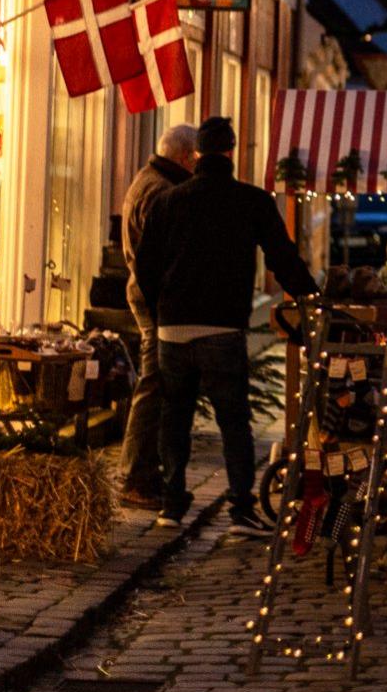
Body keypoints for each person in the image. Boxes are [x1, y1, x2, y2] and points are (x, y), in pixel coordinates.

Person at [135, 118, 318, 535]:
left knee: (174, 416)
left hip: (173, 328)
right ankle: (240, 507)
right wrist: (310, 296)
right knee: (234, 420)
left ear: (196, 154)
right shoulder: (250, 201)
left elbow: (145, 266)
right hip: (222, 327)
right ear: (232, 153)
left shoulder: (168, 201)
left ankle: (172, 503)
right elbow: (282, 257)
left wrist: (161, 304)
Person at [117, 125, 197, 511]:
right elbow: (159, 255)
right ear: (186, 157)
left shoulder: (150, 180)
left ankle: (145, 473)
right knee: (154, 381)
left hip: (151, 293)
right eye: (197, 158)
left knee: (158, 381)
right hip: (156, 298)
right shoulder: (162, 191)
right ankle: (134, 476)